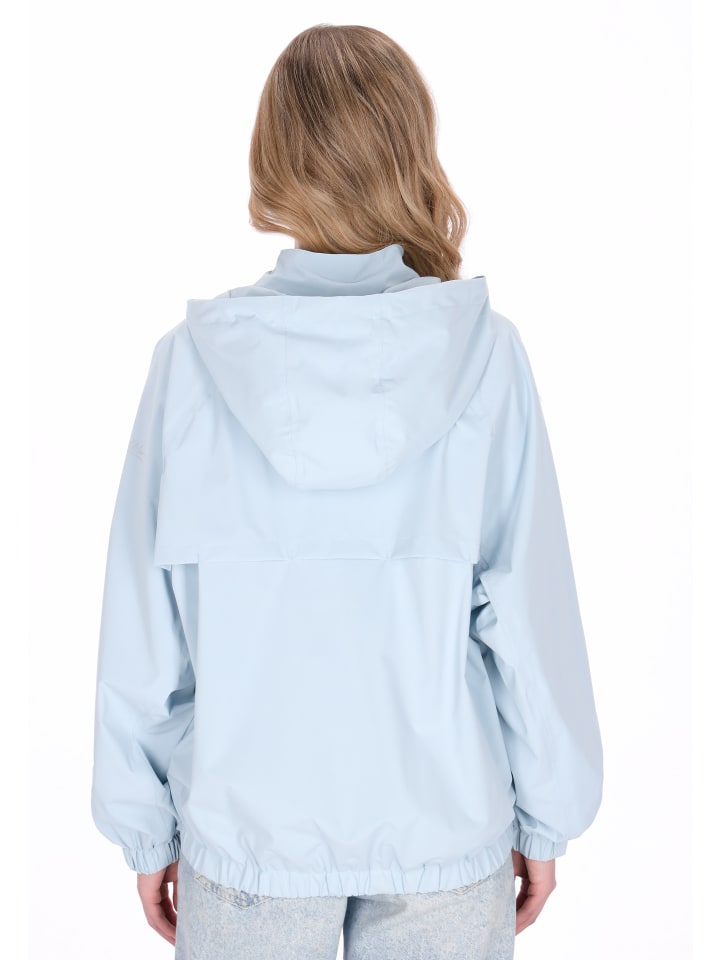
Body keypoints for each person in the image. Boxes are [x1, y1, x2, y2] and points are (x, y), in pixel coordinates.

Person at [90, 23, 603, 960]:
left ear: (273, 157)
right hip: (446, 830)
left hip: (247, 835)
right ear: (411, 151)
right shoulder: (483, 354)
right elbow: (529, 609)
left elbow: (145, 621)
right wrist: (547, 817)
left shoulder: (192, 364)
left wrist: (145, 827)